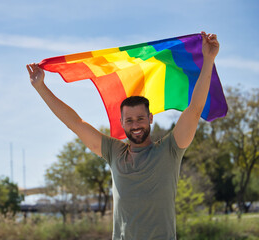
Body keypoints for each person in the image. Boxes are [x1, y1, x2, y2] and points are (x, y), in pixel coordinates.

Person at [26, 31, 219, 240]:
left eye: (140, 119)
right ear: (121, 123)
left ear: (150, 118)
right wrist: (41, 87)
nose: (135, 125)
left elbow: (195, 108)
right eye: (129, 120)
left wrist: (208, 59)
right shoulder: (113, 151)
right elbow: (75, 123)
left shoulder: (170, 149)